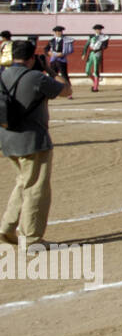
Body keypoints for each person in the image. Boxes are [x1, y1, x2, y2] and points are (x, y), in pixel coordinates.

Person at [0, 40, 72, 248]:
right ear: (32, 58)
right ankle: (31, 238)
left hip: (7, 137)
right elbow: (66, 91)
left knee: (23, 183)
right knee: (36, 188)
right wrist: (50, 69)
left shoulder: (3, 75)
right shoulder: (37, 77)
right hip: (33, 140)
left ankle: (6, 228)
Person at [83, 24, 109, 92]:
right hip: (91, 53)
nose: (98, 30)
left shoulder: (104, 37)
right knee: (87, 70)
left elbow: (105, 46)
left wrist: (100, 48)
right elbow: (86, 45)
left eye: (99, 29)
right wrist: (84, 53)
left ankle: (95, 87)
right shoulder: (91, 36)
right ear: (95, 30)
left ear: (101, 30)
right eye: (96, 29)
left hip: (98, 53)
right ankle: (95, 81)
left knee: (96, 69)